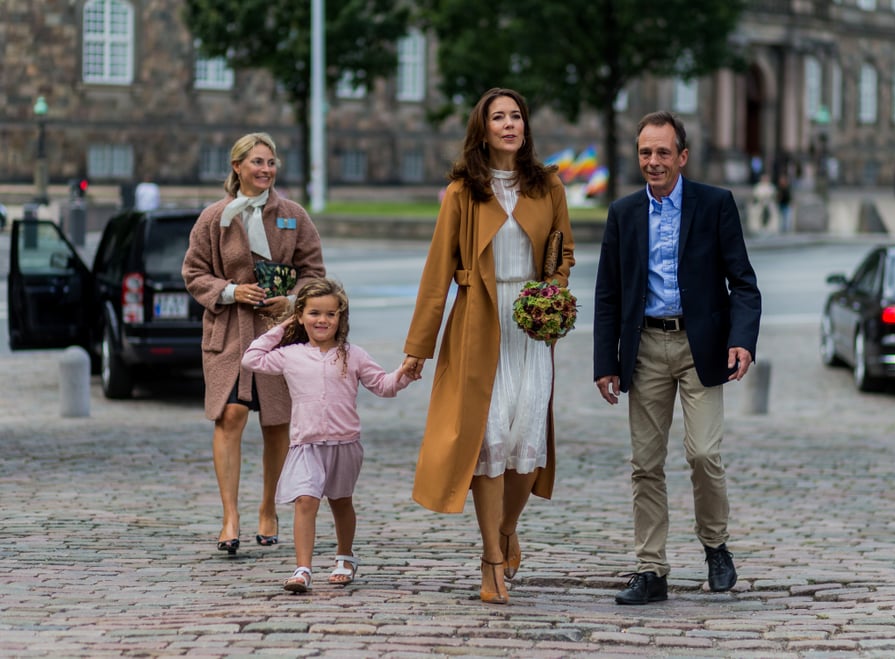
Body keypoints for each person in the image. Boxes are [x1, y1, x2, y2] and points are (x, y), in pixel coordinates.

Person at [402, 88, 575, 605]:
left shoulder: (549, 186)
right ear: (483, 129)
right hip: (479, 321)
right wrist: (419, 347)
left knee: (527, 443)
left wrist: (553, 293)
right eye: (498, 117)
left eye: (516, 115)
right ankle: (491, 558)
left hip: (529, 324)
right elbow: (437, 273)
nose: (509, 124)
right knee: (490, 439)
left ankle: (505, 528)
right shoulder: (462, 192)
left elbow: (562, 251)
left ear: (526, 126)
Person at [593, 111, 762, 605]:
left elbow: (744, 284)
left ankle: (715, 545)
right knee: (645, 463)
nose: (653, 161)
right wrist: (607, 361)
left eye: (663, 152)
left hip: (699, 348)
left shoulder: (715, 205)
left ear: (682, 157)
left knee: (704, 454)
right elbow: (607, 295)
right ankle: (652, 570)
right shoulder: (623, 214)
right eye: (646, 152)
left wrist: (742, 340)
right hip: (645, 349)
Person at [183, 132, 325, 555]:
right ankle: (230, 516)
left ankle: (268, 507)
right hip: (229, 332)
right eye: (257, 162)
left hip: (280, 333)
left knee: (277, 422)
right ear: (237, 167)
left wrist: (295, 300)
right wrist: (230, 292)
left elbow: (313, 271)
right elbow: (193, 273)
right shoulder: (215, 217)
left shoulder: (293, 216)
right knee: (230, 416)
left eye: (271, 163)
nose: (265, 170)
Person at [241, 278, 415, 592]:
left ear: (340, 318)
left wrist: (403, 373)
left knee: (340, 502)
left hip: (345, 444)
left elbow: (385, 386)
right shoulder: (290, 354)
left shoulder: (354, 355)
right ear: (301, 317)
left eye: (330, 314)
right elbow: (251, 358)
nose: (322, 320)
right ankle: (302, 569)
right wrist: (284, 324)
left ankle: (345, 557)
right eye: (314, 313)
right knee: (305, 501)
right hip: (306, 443)